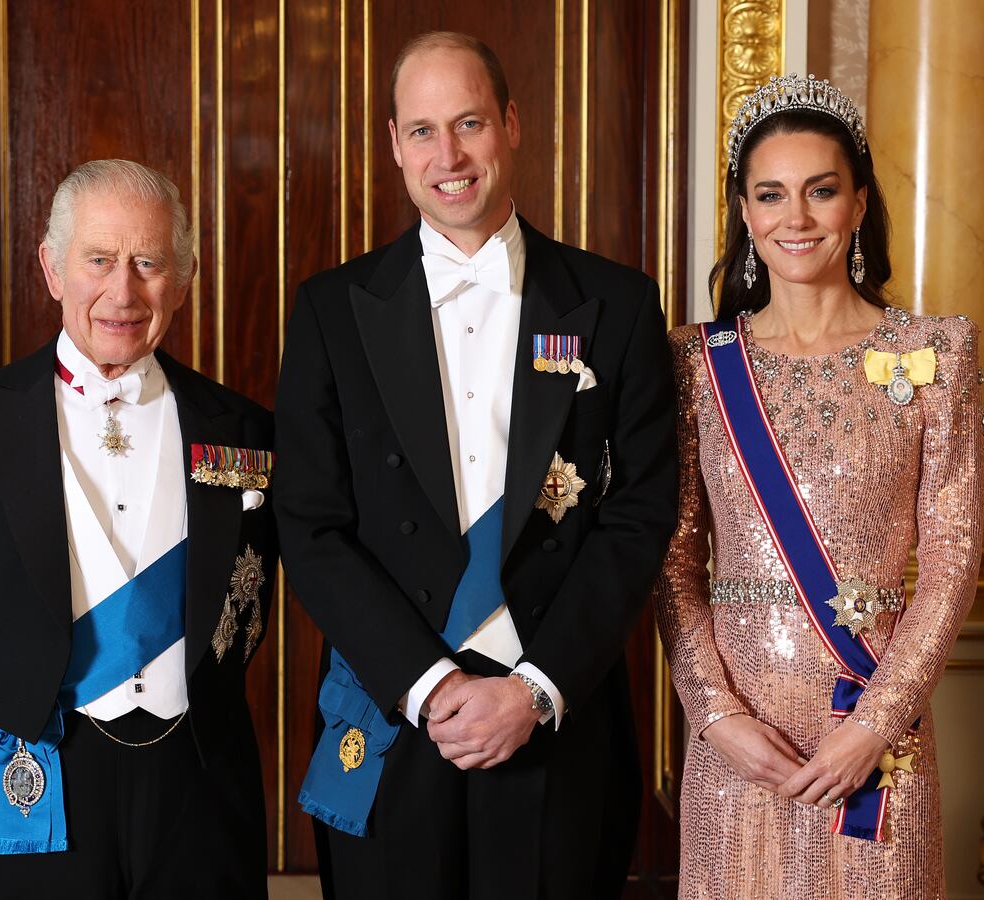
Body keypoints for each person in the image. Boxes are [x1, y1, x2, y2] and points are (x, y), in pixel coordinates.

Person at [276, 31, 678, 898]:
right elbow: (310, 526)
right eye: (422, 131)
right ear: (393, 144)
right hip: (394, 713)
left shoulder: (615, 303)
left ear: (513, 124)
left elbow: (640, 514)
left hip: (557, 721)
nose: (448, 156)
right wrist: (429, 685)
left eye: (469, 123)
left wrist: (534, 689)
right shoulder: (331, 310)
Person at [654, 74, 983, 897]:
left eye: (821, 191)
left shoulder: (937, 353)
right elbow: (673, 559)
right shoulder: (695, 362)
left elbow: (949, 561)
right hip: (739, 737)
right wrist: (714, 711)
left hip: (873, 727)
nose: (795, 219)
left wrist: (877, 723)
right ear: (743, 211)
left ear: (859, 203)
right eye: (771, 195)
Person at [0, 159, 275, 899]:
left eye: (148, 263)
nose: (123, 291)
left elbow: (250, 604)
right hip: (35, 767)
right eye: (99, 261)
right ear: (52, 268)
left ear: (183, 277)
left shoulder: (245, 432)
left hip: (197, 786)